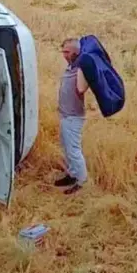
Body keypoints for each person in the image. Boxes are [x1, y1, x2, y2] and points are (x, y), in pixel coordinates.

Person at [54, 37, 91, 195]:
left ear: (76, 52)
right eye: (63, 51)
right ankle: (71, 175)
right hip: (65, 115)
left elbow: (81, 88)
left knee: (74, 150)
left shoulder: (81, 69)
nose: (64, 55)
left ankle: (81, 182)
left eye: (67, 52)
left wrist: (83, 67)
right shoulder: (71, 67)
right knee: (67, 148)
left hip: (73, 117)